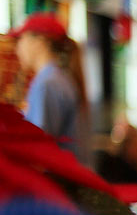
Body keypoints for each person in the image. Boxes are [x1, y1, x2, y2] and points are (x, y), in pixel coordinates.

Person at [11, 13, 91, 167]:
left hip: (55, 185)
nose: (17, 48)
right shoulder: (56, 78)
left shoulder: (48, 83)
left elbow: (37, 149)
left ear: (39, 41)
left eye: (20, 39)